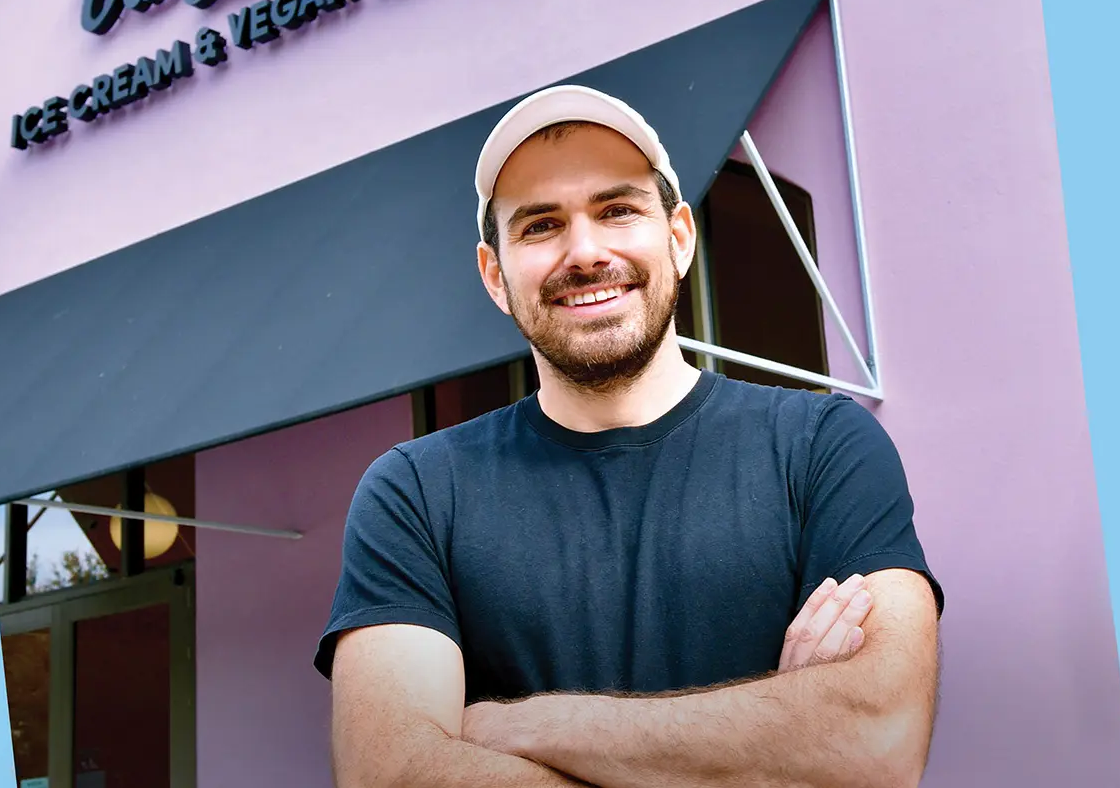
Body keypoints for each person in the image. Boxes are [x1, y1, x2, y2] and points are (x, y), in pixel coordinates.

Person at [314, 84, 944, 788]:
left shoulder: (824, 447)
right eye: (540, 225)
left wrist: (522, 725)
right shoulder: (415, 494)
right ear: (495, 276)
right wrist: (770, 741)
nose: (584, 252)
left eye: (616, 210)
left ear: (677, 239)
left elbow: (875, 743)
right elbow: (391, 775)